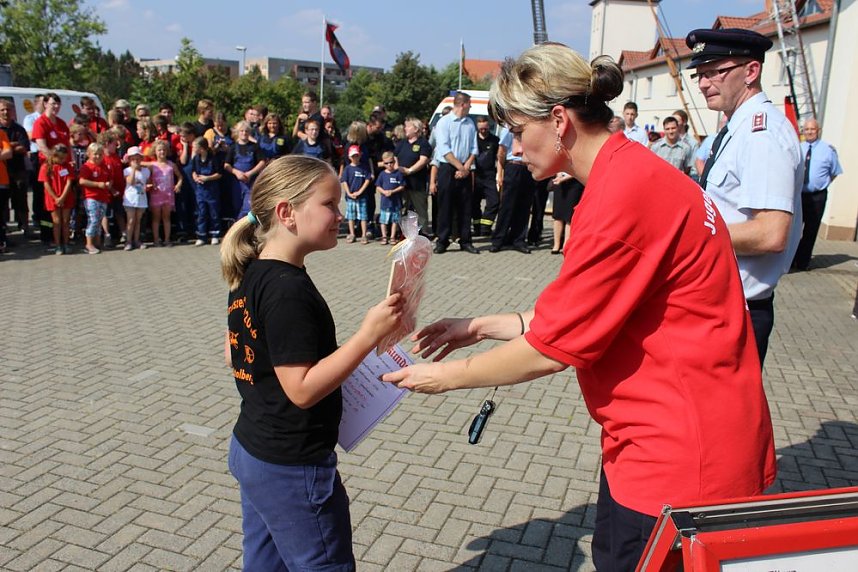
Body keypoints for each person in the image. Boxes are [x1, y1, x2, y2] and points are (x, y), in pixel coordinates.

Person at [382, 42, 776, 572]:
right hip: (665, 439)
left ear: (560, 121)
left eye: (520, 132)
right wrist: (477, 326)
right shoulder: (631, 171)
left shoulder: (620, 198)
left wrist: (444, 378)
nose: (514, 149)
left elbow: (553, 348)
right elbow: (582, 312)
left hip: (680, 458)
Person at [220, 155, 402, 571]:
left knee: (265, 564)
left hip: (255, 448)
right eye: (329, 204)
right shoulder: (287, 291)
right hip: (290, 466)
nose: (340, 214)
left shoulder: (252, 271)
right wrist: (368, 336)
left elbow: (240, 351)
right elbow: (301, 389)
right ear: (287, 212)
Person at [689, 27, 803, 366]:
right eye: (700, 74)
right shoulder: (737, 128)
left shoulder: (761, 134)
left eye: (715, 72)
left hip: (737, 312)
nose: (703, 83)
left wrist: (687, 234)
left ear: (751, 71)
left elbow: (770, 233)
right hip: (717, 306)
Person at [791, 118, 842, 271]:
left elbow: (834, 172)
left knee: (810, 231)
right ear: (803, 132)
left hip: (817, 197)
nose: (809, 132)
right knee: (794, 230)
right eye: (806, 129)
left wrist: (820, 185)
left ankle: (803, 262)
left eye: (812, 129)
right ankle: (791, 260)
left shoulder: (828, 150)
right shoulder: (799, 148)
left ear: (818, 130)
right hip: (799, 195)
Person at [432, 91, 479, 254]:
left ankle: (465, 240)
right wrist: (460, 167)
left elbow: (474, 148)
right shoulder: (444, 122)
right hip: (448, 167)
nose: (470, 107)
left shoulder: (470, 123)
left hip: (465, 167)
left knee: (466, 206)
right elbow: (444, 149)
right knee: (445, 205)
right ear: (462, 104)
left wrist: (466, 167)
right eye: (469, 104)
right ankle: (442, 240)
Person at [33, 93, 71, 244]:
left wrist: (70, 162)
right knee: (47, 205)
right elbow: (41, 145)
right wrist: (54, 162)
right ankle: (47, 235)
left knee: (65, 200)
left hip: (63, 168)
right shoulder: (40, 122)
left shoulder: (61, 123)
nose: (55, 107)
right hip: (47, 167)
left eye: (58, 104)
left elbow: (68, 146)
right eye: (52, 103)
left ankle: (64, 238)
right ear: (45, 104)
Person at [489, 126, 534, 254]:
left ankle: (518, 240)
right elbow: (501, 152)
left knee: (524, 206)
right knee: (507, 206)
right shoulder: (508, 129)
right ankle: (498, 240)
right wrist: (501, 171)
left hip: (528, 167)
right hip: (513, 166)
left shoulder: (530, 128)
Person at [394, 117, 432, 235]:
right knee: (404, 208)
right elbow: (395, 156)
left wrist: (410, 170)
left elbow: (424, 160)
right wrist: (397, 167)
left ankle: (423, 232)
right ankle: (404, 233)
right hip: (402, 182)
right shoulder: (402, 143)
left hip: (417, 183)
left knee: (420, 209)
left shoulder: (423, 143)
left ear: (416, 129)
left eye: (408, 126)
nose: (405, 128)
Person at [0, 99, 30, 250]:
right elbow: (14, 149)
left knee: (21, 201)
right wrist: (13, 145)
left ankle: (25, 227)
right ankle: (5, 234)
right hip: (2, 173)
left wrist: (7, 147)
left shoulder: (19, 129)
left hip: (18, 170)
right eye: (2, 110)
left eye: (8, 110)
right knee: (3, 206)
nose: (6, 112)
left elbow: (24, 148)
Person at [225, 121, 265, 220]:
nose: (244, 133)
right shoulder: (233, 147)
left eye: (246, 131)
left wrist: (250, 173)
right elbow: (226, 165)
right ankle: (237, 229)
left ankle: (247, 229)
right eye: (241, 131)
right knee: (237, 206)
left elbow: (262, 162)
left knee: (248, 208)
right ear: (237, 132)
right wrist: (236, 172)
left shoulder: (255, 146)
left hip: (250, 182)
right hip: (237, 183)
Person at [37, 143, 73, 254]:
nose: (63, 160)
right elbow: (46, 184)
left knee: (66, 221)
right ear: (54, 156)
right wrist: (56, 198)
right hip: (52, 198)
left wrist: (62, 197)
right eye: (60, 158)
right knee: (56, 222)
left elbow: (69, 182)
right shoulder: (46, 167)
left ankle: (66, 243)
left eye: (64, 158)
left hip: (66, 196)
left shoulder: (67, 166)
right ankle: (58, 245)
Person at [78, 143, 113, 254]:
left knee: (99, 220)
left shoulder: (104, 165)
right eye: (95, 154)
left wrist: (109, 185)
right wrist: (98, 185)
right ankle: (89, 244)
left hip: (103, 197)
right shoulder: (87, 166)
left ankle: (97, 243)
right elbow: (82, 181)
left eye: (100, 154)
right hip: (91, 197)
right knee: (93, 220)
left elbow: (109, 178)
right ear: (89, 154)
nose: (98, 156)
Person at [149, 139, 183, 247]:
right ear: (155, 151)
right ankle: (156, 240)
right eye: (159, 150)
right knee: (156, 218)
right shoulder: (152, 165)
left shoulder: (171, 165)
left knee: (166, 218)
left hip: (168, 195)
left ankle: (167, 239)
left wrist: (178, 185)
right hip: (156, 195)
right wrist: (150, 183)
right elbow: (146, 177)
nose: (162, 152)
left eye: (164, 150)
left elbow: (180, 177)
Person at [191, 137, 223, 246]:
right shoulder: (196, 158)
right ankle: (201, 236)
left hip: (212, 191)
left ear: (202, 148)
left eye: (195, 147)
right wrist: (195, 177)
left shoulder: (213, 158)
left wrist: (207, 178)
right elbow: (193, 171)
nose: (194, 149)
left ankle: (215, 235)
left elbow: (219, 174)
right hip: (200, 191)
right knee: (201, 213)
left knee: (214, 213)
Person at [473, 116, 500, 237]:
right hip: (476, 174)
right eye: (481, 129)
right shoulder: (473, 139)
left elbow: (499, 158)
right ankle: (477, 227)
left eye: (485, 128)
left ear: (488, 126)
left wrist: (499, 175)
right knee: (474, 203)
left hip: (489, 175)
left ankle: (485, 227)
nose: (483, 131)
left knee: (494, 201)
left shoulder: (495, 140)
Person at [341, 145, 371, 244]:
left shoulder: (364, 168)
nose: (355, 158)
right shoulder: (347, 169)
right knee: (351, 217)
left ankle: (363, 235)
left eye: (357, 155)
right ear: (349, 157)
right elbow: (344, 181)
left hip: (362, 197)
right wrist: (349, 193)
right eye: (353, 156)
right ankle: (352, 233)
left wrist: (360, 191)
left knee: (363, 217)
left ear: (360, 155)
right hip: (351, 197)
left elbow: (367, 180)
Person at [122, 146, 151, 251]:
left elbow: (147, 183)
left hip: (141, 198)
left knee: (138, 221)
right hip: (130, 199)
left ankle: (136, 240)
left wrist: (148, 186)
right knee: (131, 220)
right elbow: (130, 182)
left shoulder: (146, 171)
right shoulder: (127, 170)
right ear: (129, 160)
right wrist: (133, 169)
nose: (136, 161)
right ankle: (128, 241)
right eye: (133, 159)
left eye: (138, 158)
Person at [548, 171, 584, 255]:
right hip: (560, 183)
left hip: (574, 183)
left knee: (569, 216)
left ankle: (566, 245)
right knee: (558, 215)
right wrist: (558, 174)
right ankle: (556, 244)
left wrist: (565, 178)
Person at [375, 151, 405, 244]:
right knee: (383, 221)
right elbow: (378, 186)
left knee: (394, 221)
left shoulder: (398, 174)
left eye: (391, 162)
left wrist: (393, 191)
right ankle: (384, 236)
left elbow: (402, 186)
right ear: (383, 163)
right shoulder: (382, 174)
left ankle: (392, 236)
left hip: (396, 202)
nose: (389, 165)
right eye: (386, 163)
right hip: (385, 202)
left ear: (394, 162)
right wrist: (384, 192)